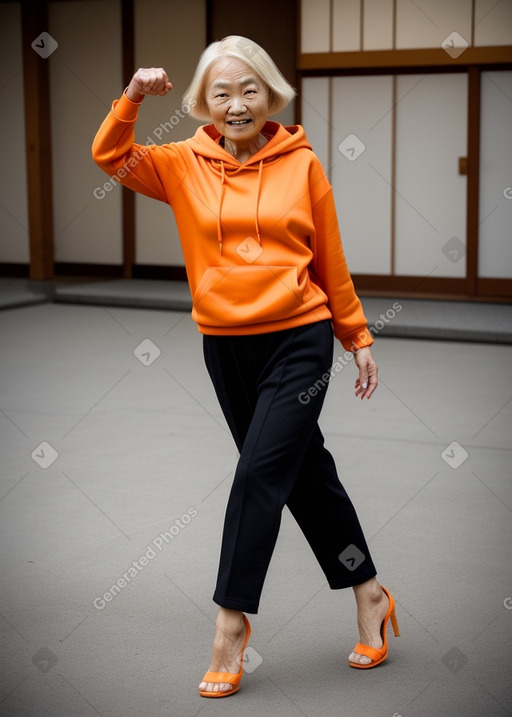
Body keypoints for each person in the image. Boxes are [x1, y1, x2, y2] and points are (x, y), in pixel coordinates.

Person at [92, 34, 399, 699]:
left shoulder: (302, 164)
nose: (237, 103)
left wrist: (357, 333)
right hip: (225, 345)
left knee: (259, 473)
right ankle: (369, 591)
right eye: (223, 92)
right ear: (203, 101)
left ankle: (231, 623)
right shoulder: (180, 163)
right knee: (303, 475)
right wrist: (135, 95)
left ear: (270, 94)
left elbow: (330, 259)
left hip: (301, 338)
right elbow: (109, 156)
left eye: (250, 88)